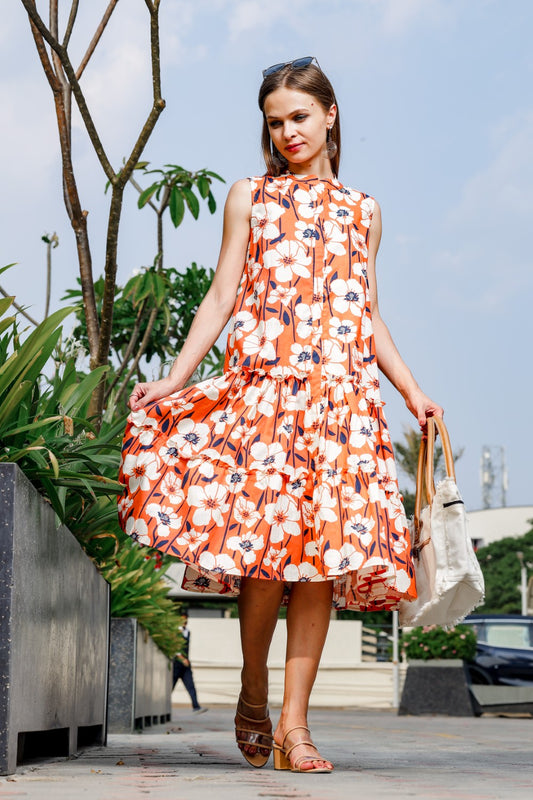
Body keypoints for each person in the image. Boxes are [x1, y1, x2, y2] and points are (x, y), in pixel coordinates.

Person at [119, 56, 443, 774]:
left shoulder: (364, 210)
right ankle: (253, 686)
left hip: (341, 405)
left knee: (319, 567)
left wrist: (410, 390)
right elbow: (221, 296)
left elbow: (367, 316)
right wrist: (175, 379)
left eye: (299, 115)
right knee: (264, 561)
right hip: (265, 399)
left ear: (329, 115)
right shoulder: (250, 196)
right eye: (275, 121)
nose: (288, 131)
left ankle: (295, 729)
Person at [172, 613, 207, 714]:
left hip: (186, 664)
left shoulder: (188, 632)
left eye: (185, 620)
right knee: (171, 686)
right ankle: (160, 706)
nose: (184, 622)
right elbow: (174, 648)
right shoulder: (175, 632)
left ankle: (196, 706)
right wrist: (181, 659)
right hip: (177, 663)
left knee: (191, 686)